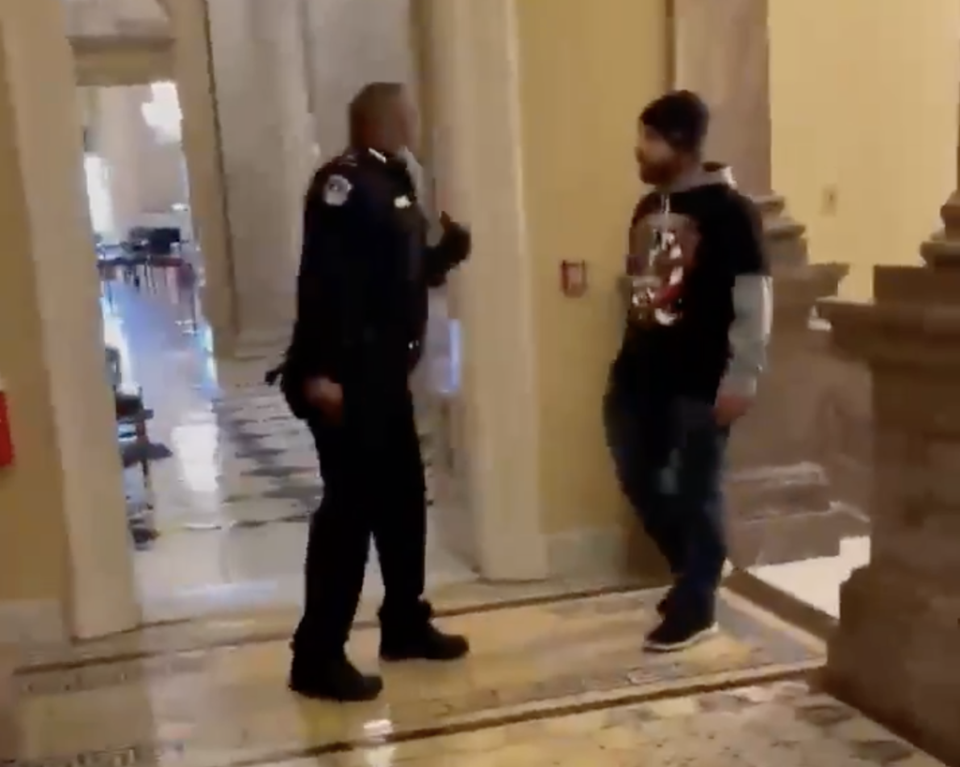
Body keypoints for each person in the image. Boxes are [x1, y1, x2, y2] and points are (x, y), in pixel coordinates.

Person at [273, 82, 472, 702]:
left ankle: (405, 622)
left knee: (403, 500)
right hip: (347, 378)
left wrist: (443, 256)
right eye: (408, 112)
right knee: (348, 514)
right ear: (383, 119)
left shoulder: (393, 180)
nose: (415, 120)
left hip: (385, 376)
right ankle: (317, 655)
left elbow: (390, 277)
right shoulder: (344, 184)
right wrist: (319, 371)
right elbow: (325, 282)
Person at [604, 90, 772, 652]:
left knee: (698, 489)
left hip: (701, 379)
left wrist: (742, 376)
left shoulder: (731, 212)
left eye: (650, 138)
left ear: (680, 144)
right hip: (639, 373)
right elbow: (644, 286)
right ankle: (696, 569)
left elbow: (754, 300)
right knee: (639, 476)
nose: (640, 149)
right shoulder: (647, 208)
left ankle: (696, 604)